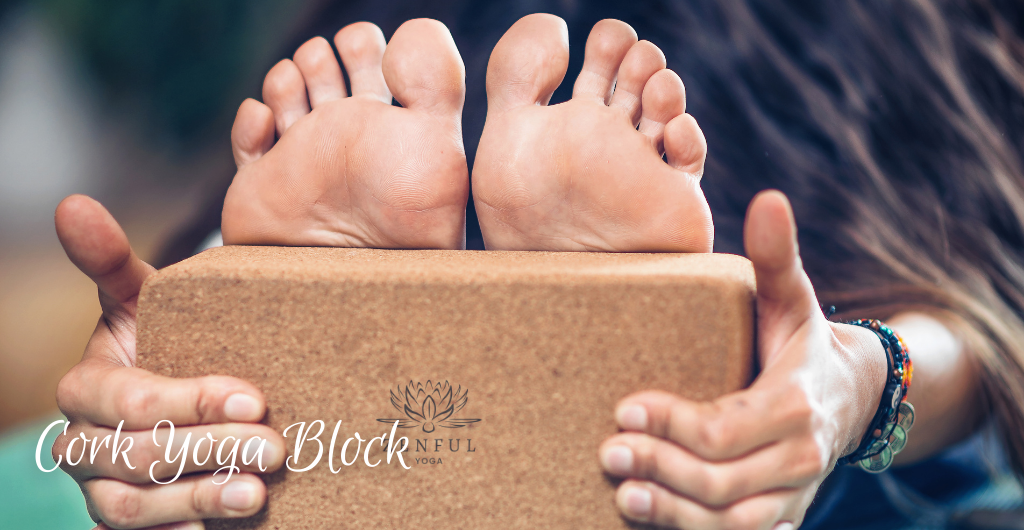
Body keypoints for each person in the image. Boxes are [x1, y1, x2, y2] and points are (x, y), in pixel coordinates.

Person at [52, 1, 1024, 529]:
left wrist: (854, 382)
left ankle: (308, 298)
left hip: (824, 206)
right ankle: (309, 292)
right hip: (845, 240)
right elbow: (984, 333)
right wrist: (172, 351)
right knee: (816, 352)